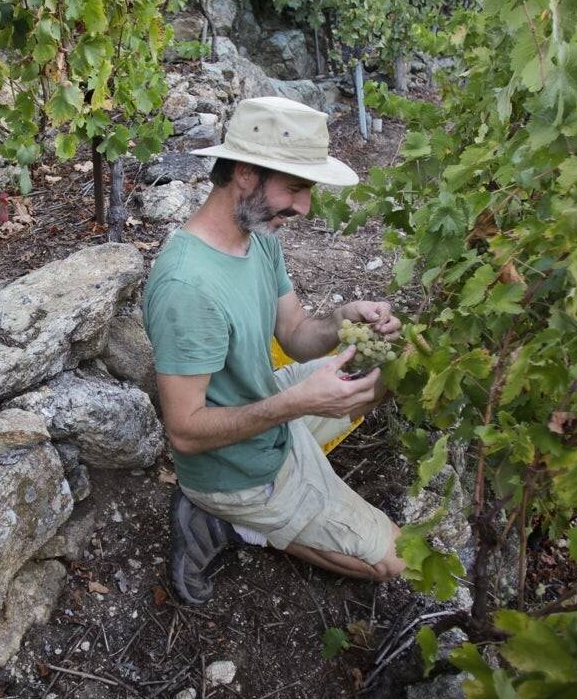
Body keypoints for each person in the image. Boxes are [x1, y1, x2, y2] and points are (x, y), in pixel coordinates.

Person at [142, 96, 407, 605]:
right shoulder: (187, 288)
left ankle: (281, 490)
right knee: (395, 561)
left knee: (378, 372)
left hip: (266, 411)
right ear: (245, 173)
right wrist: (297, 403)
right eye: (295, 188)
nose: (304, 207)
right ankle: (225, 519)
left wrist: (341, 319)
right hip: (233, 472)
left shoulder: (257, 235)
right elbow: (185, 433)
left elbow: (296, 335)